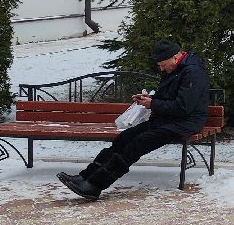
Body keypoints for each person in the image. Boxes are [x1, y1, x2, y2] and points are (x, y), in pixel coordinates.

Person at [57, 39, 209, 200]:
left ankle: (95, 185)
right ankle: (85, 177)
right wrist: (149, 99)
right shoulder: (177, 69)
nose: (161, 68)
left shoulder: (193, 72)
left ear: (174, 57)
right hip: (166, 120)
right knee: (124, 138)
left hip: (185, 123)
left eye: (163, 64)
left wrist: (153, 103)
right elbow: (170, 97)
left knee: (138, 143)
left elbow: (184, 106)